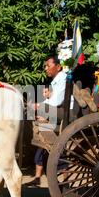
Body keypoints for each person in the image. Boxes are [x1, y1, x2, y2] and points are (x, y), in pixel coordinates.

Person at [25, 55, 67, 187]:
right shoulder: (56, 80)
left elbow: (56, 102)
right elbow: (50, 101)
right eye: (45, 66)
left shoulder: (63, 79)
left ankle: (66, 180)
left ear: (58, 67)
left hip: (61, 113)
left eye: (48, 66)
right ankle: (37, 178)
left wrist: (39, 108)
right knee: (41, 143)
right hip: (54, 112)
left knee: (47, 141)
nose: (45, 68)